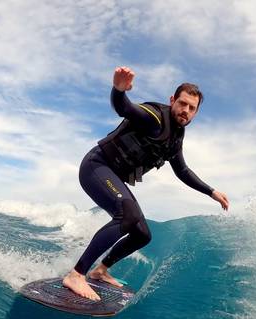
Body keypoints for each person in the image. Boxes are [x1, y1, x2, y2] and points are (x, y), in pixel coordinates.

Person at [62, 66, 229, 301]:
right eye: (182, 103)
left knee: (142, 234)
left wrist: (211, 192)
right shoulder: (155, 118)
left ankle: (101, 271)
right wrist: (119, 90)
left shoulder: (176, 137)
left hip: (112, 176)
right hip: (95, 167)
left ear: (196, 112)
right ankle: (77, 274)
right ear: (172, 100)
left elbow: (182, 170)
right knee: (127, 216)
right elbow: (125, 108)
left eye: (192, 108)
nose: (186, 111)